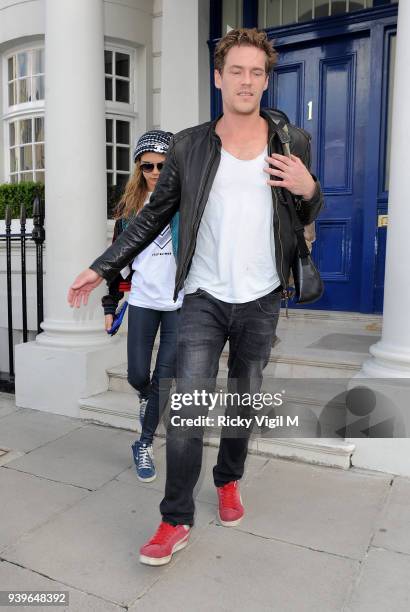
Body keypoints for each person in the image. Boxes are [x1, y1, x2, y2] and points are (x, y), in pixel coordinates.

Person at [68, 28, 324, 567]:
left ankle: (228, 480)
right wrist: (102, 266)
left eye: (257, 72)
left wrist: (309, 191)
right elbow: (152, 216)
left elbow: (302, 216)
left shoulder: (290, 142)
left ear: (266, 79)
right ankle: (174, 517)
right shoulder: (188, 146)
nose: (247, 81)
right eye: (237, 70)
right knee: (185, 410)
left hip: (261, 297)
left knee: (243, 401)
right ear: (219, 77)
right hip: (203, 297)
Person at [103, 130, 182, 482]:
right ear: (138, 167)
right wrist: (110, 304)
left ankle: (144, 443)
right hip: (144, 300)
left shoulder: (186, 203)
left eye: (162, 165)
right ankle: (147, 399)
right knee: (138, 374)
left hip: (180, 302)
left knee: (165, 378)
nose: (154, 171)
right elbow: (115, 263)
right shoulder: (128, 213)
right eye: (147, 165)